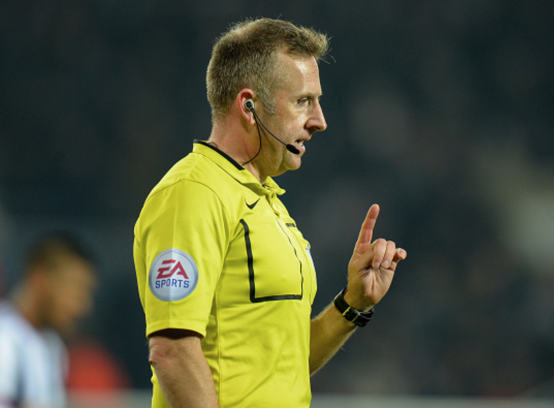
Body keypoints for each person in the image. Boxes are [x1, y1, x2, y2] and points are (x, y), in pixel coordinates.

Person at [133, 17, 407, 408]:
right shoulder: (194, 194)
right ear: (249, 106)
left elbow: (285, 361)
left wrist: (352, 305)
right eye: (303, 101)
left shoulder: (268, 202)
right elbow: (172, 351)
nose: (320, 121)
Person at [0, 231, 96, 408]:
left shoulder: (53, 345)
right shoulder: (5, 341)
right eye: (75, 288)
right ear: (40, 278)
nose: (83, 306)